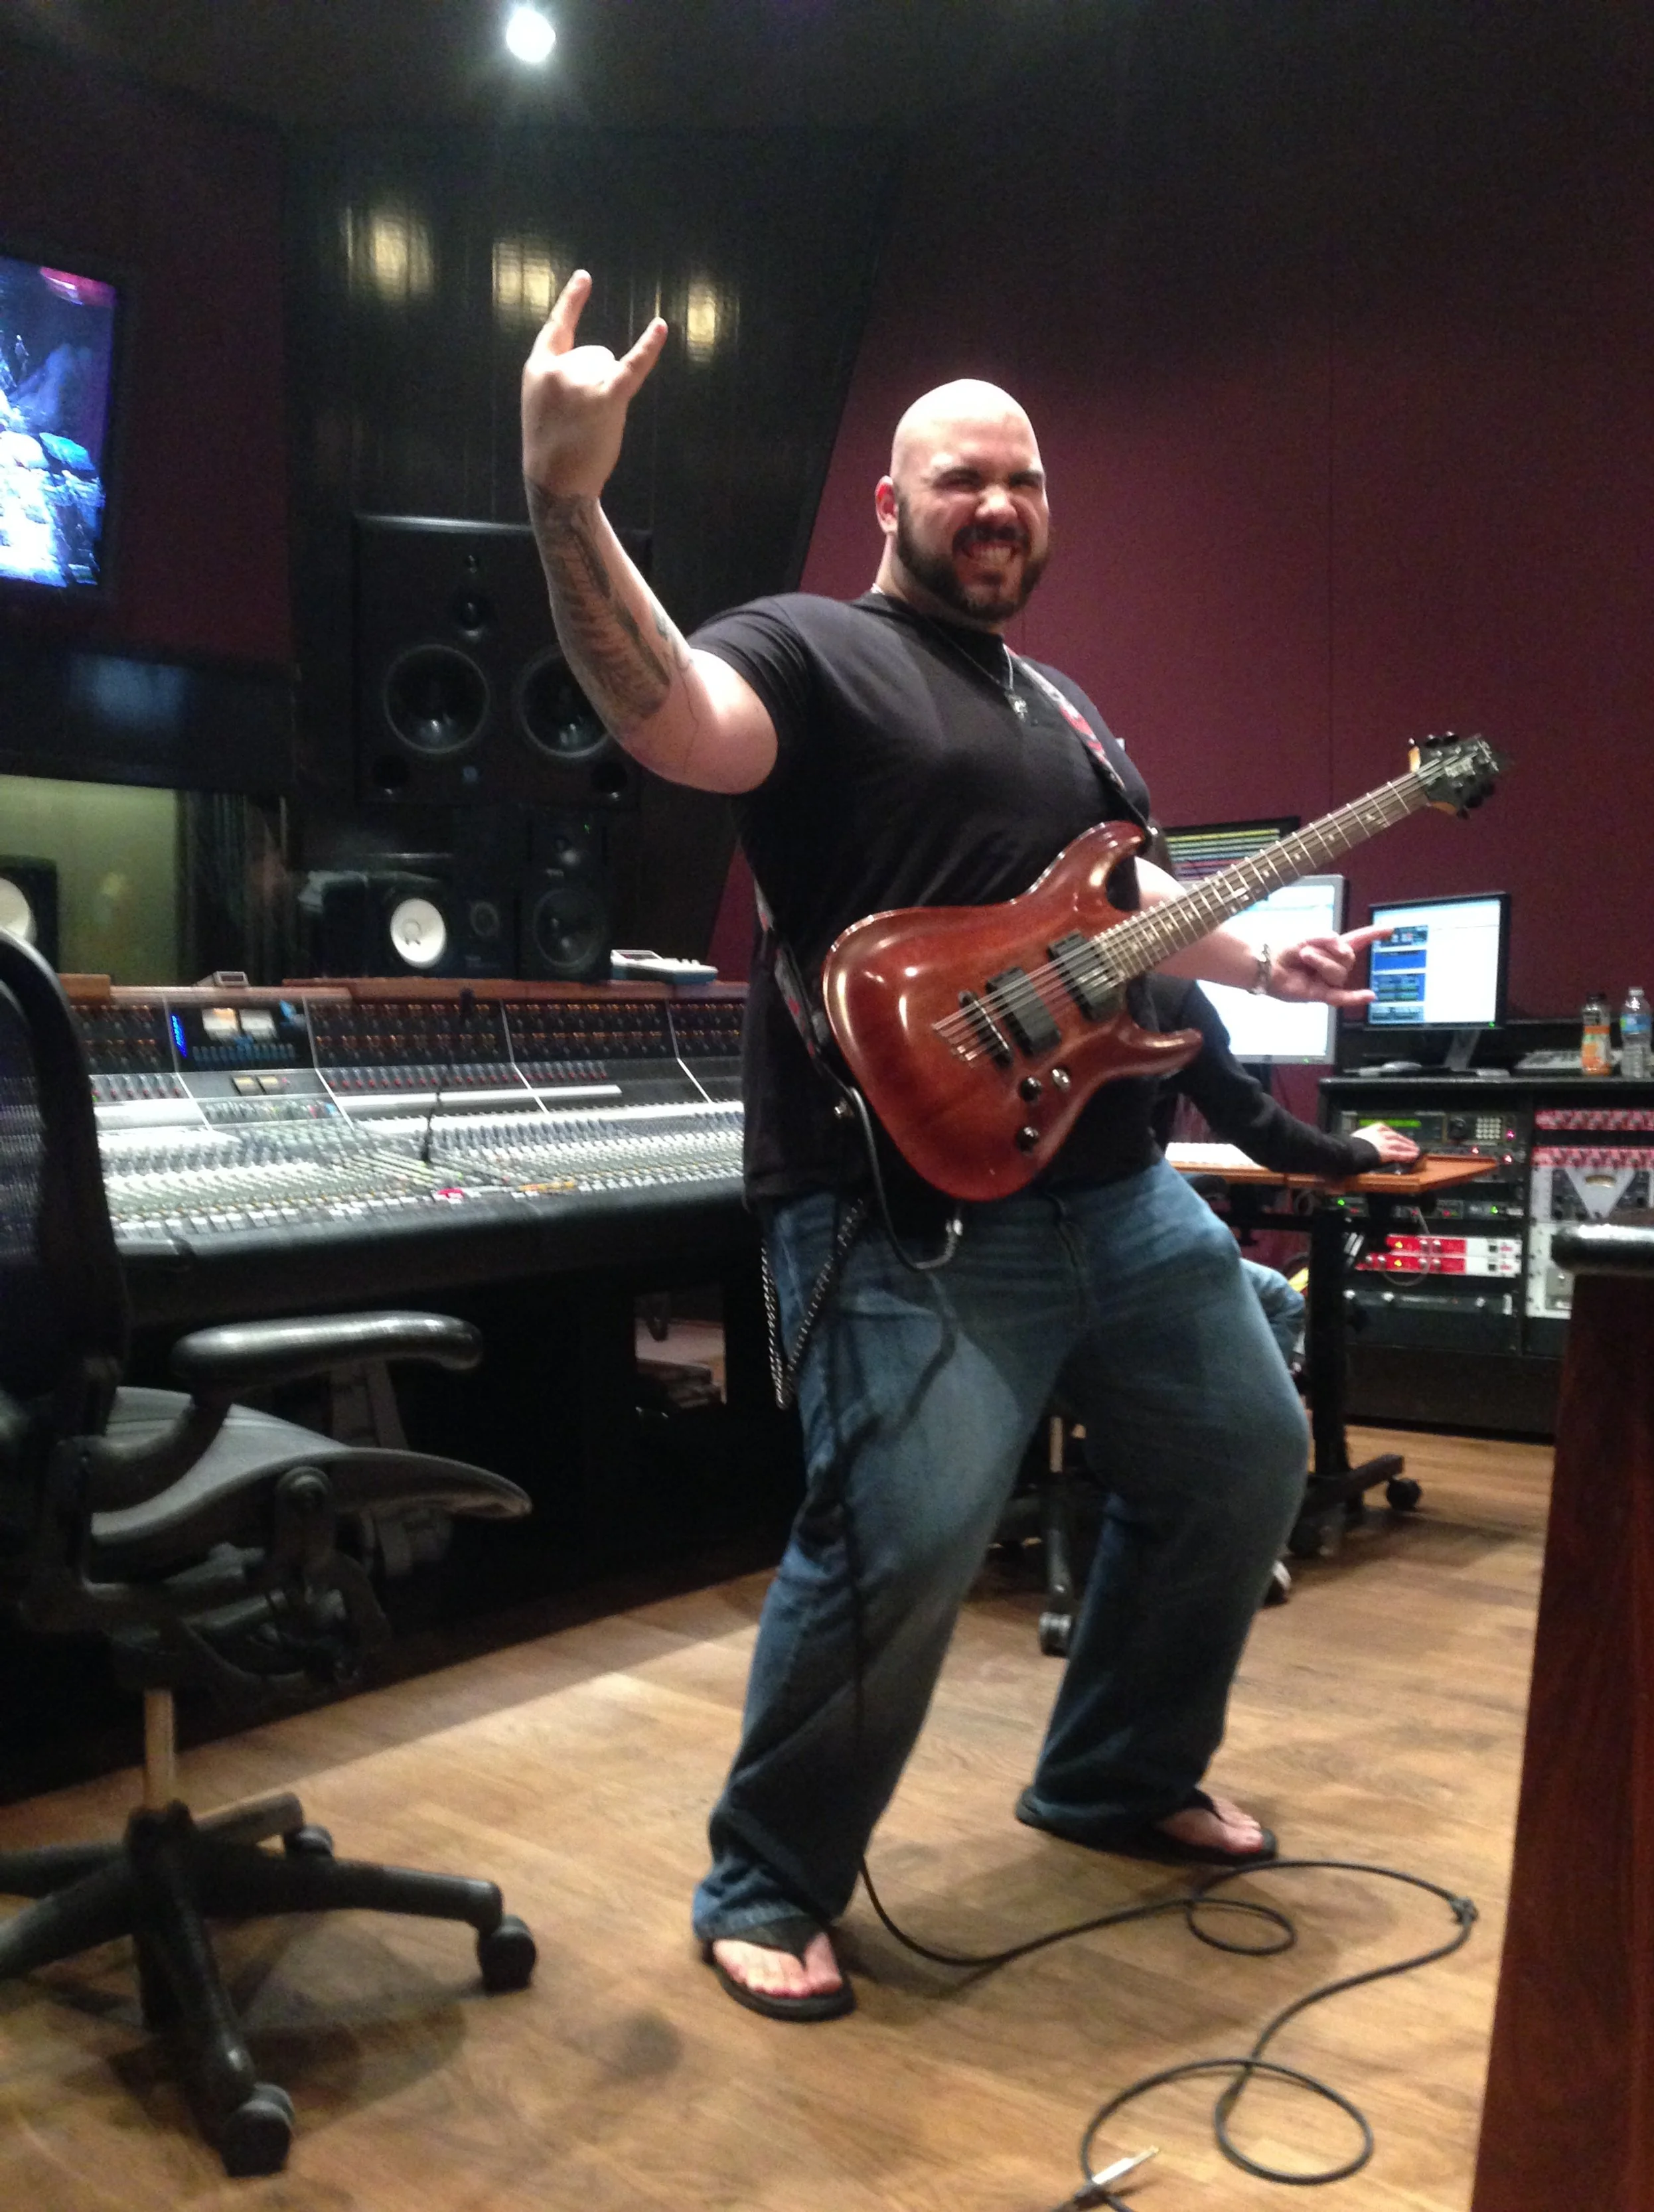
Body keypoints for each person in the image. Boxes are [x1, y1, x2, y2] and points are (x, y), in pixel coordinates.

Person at [520, 271, 1387, 2022]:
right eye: (961, 478)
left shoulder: (1064, 707)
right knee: (899, 1539)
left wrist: (1256, 959)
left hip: (1113, 1190)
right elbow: (669, 714)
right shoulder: (808, 649)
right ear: (888, 501)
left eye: (1023, 480)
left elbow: (1120, 901)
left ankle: (1114, 1772)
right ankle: (766, 1879)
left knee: (1242, 1454)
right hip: (897, 1205)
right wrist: (564, 497)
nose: (997, 504)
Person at [1144, 970, 1420, 1358]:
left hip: (1053, 1240)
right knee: (1282, 1302)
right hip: (1119, 1247)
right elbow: (1262, 1131)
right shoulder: (1168, 994)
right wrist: (1355, 1149)